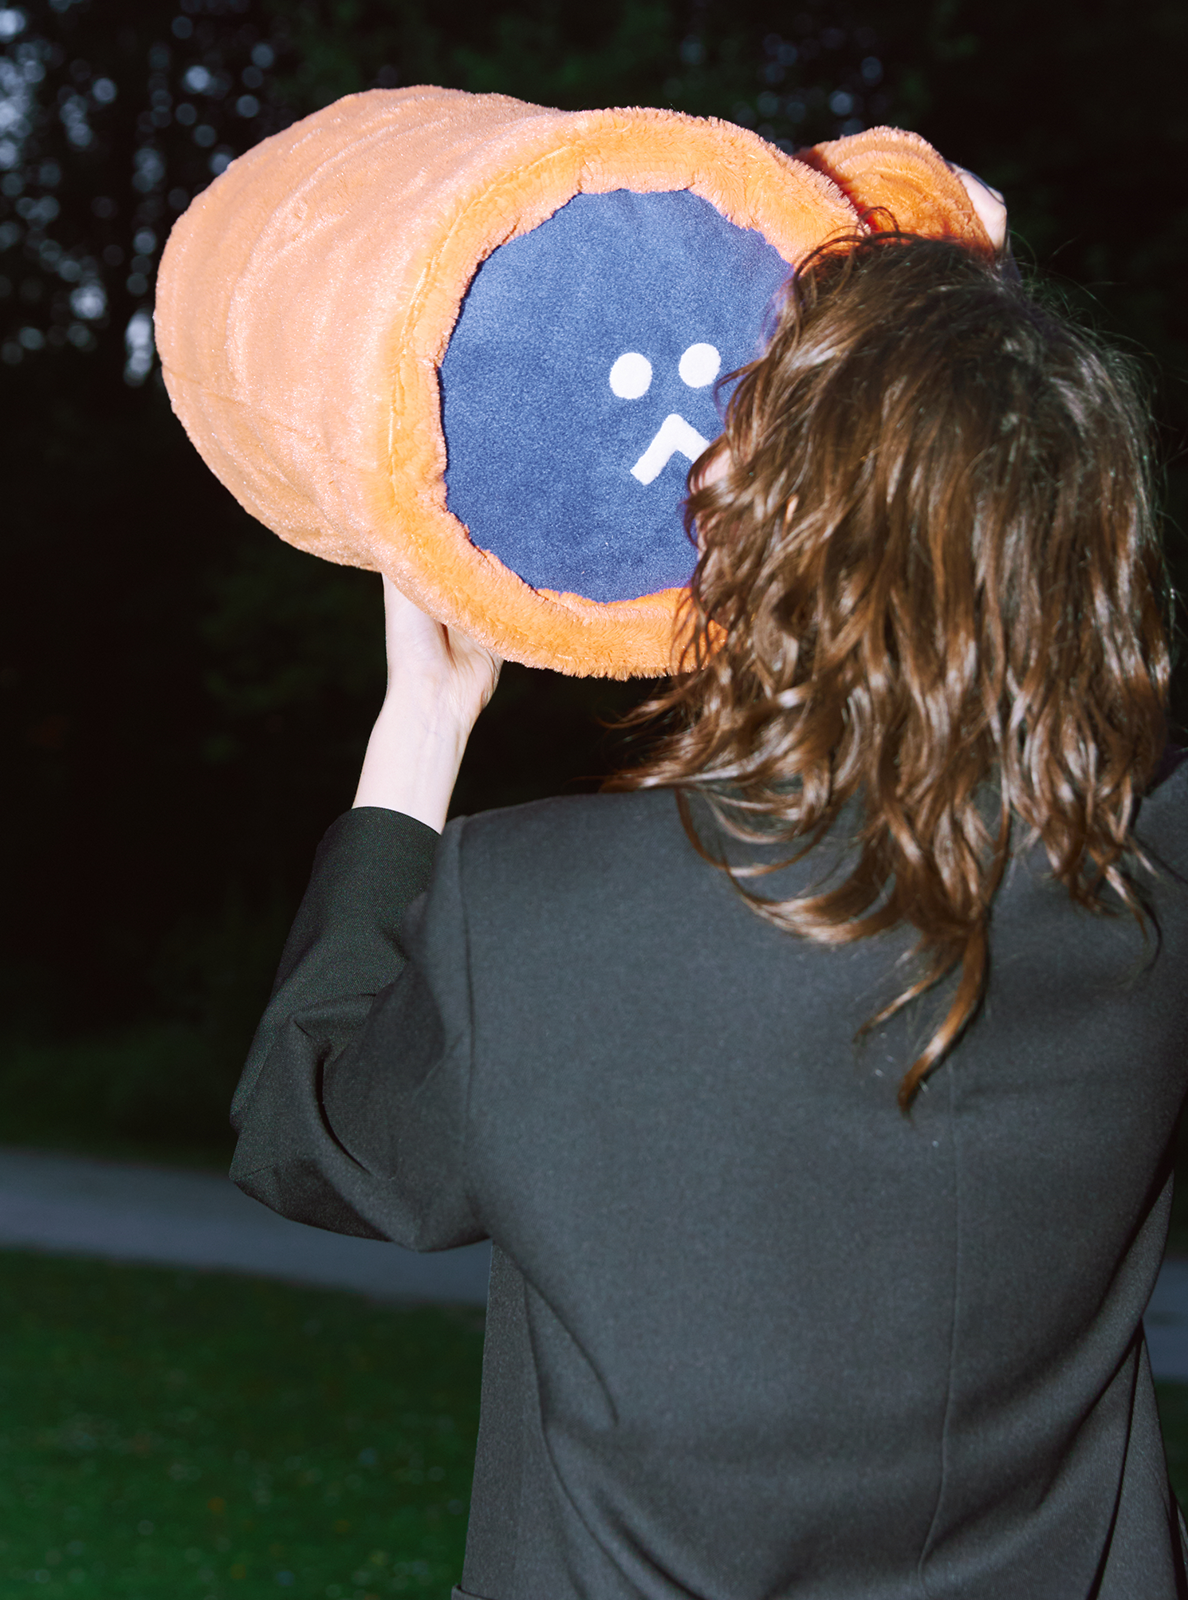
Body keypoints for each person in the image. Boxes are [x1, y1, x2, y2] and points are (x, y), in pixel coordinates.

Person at [229, 187, 1188, 1598]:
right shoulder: (1155, 869)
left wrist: (415, 741)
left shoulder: (542, 911)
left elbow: (308, 1136)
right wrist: (981, 315)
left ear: (768, 535)